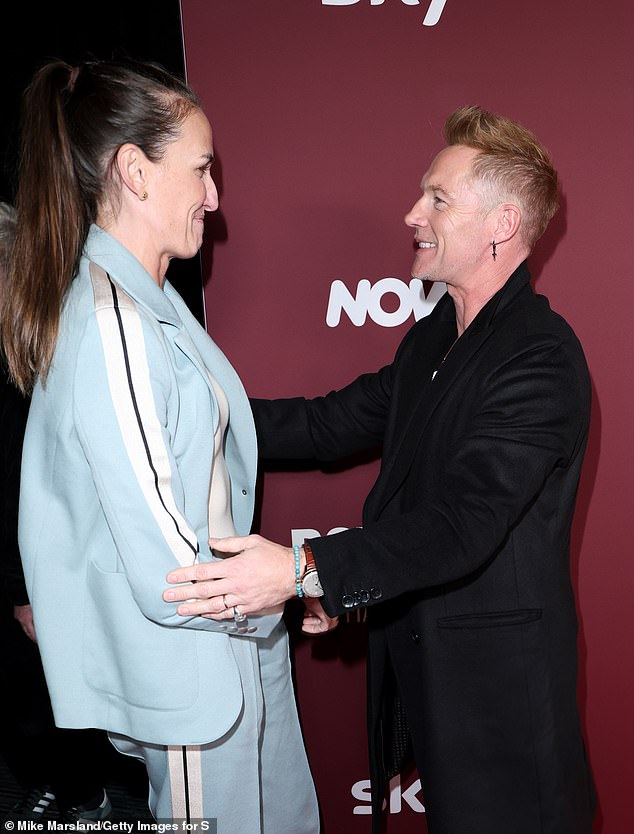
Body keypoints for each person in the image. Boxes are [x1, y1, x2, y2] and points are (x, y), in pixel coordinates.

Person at [163, 106, 597, 834]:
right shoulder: (433, 341)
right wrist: (187, 410)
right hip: (435, 684)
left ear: (503, 223)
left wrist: (305, 569)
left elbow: (461, 526)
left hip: (501, 705)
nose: (412, 214)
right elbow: (326, 423)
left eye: (438, 198)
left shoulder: (542, 357)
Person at [0, 60, 319, 831]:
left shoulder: (155, 306)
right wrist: (299, 577)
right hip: (191, 669)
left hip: (232, 646)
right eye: (202, 169)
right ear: (134, 172)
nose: (214, 197)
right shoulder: (114, 319)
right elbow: (167, 564)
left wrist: (280, 592)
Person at [0, 202, 112, 825]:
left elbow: (29, 482)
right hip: (21, 571)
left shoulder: (30, 357)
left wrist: (23, 589)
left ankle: (81, 798)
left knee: (41, 692)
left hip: (30, 569)